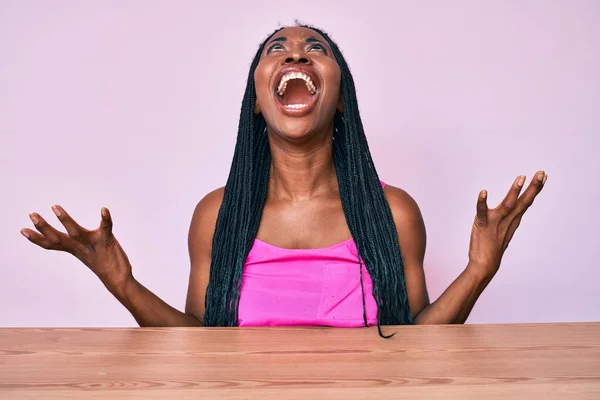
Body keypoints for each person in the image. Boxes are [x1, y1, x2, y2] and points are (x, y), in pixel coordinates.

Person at [20, 24, 546, 335]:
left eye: (316, 49)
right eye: (278, 49)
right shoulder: (217, 216)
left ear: (339, 98)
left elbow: (415, 350)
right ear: (257, 102)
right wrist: (121, 283)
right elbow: (201, 353)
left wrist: (478, 271)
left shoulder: (395, 214)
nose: (296, 53)